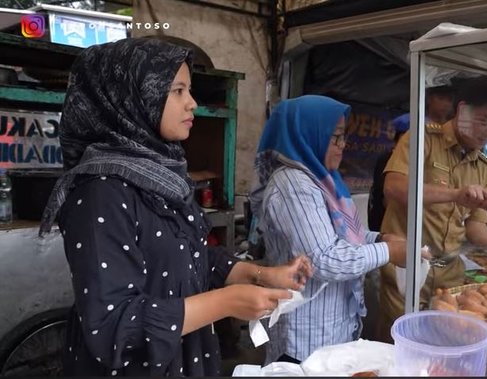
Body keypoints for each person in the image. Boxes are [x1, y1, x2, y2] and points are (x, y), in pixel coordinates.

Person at [38, 38, 313, 377]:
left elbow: (188, 256)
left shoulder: (161, 175)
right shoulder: (101, 192)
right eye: (178, 91)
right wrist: (227, 302)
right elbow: (113, 328)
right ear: (133, 98)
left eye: (190, 91)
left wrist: (261, 274)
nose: (192, 104)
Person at [250, 95, 424, 364]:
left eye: (344, 137)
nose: (343, 145)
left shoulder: (325, 180)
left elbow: (343, 237)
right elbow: (325, 259)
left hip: (335, 326)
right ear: (309, 135)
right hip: (306, 334)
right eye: (336, 138)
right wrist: (388, 251)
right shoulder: (293, 184)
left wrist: (377, 237)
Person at [376, 76, 487, 343]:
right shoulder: (422, 140)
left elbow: (475, 228)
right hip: (407, 270)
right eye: (484, 121)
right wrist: (455, 194)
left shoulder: (483, 166)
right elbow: (393, 188)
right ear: (463, 110)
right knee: (400, 348)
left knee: (444, 349)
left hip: (450, 277)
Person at [367, 83, 457, 232]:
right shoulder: (389, 158)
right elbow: (388, 199)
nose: (447, 103)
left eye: (450, 99)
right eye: (442, 97)